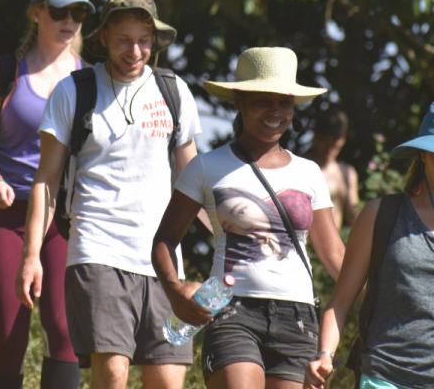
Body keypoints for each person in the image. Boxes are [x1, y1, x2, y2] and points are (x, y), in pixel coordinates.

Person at [15, 0, 202, 389]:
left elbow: (193, 179)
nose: (134, 50)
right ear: (103, 39)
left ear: (155, 41)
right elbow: (46, 180)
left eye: (144, 40)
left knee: (168, 381)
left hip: (165, 259)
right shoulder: (74, 91)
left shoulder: (174, 91)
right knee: (113, 373)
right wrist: (32, 255)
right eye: (123, 40)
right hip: (97, 249)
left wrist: (229, 240)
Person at [152, 46, 345, 389]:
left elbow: (335, 257)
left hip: (298, 318)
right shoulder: (206, 167)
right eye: (262, 101)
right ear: (239, 101)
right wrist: (175, 291)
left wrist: (381, 295)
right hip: (231, 311)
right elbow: (164, 239)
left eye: (284, 102)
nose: (275, 112)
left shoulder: (310, 173)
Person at [0, 0, 95, 389]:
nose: (70, 20)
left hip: (65, 220)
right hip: (9, 214)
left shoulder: (92, 80)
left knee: (64, 333)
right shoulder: (4, 71)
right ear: (36, 13)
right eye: (60, 10)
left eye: (79, 12)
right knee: (9, 337)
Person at [304, 102, 434, 389]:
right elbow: (339, 302)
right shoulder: (381, 215)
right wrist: (325, 354)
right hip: (384, 377)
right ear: (423, 156)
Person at [306, 108, 360, 230]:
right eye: (325, 140)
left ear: (343, 140)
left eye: (335, 141)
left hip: (333, 245)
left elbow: (353, 216)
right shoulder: (299, 167)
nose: (329, 147)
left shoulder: (347, 173)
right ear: (316, 136)